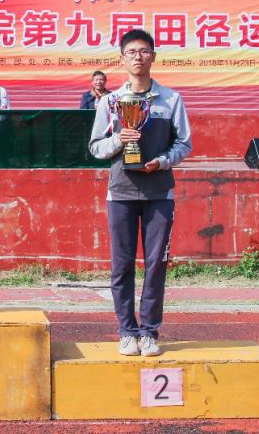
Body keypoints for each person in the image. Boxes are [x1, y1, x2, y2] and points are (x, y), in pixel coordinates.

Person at [89, 29, 192, 358]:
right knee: (121, 265)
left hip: (159, 193)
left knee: (155, 265)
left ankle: (148, 331)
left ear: (153, 57)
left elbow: (184, 144)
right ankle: (126, 331)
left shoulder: (171, 100)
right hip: (120, 192)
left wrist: (162, 162)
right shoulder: (110, 102)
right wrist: (118, 140)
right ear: (122, 59)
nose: (138, 57)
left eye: (144, 51)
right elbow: (95, 147)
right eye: (132, 52)